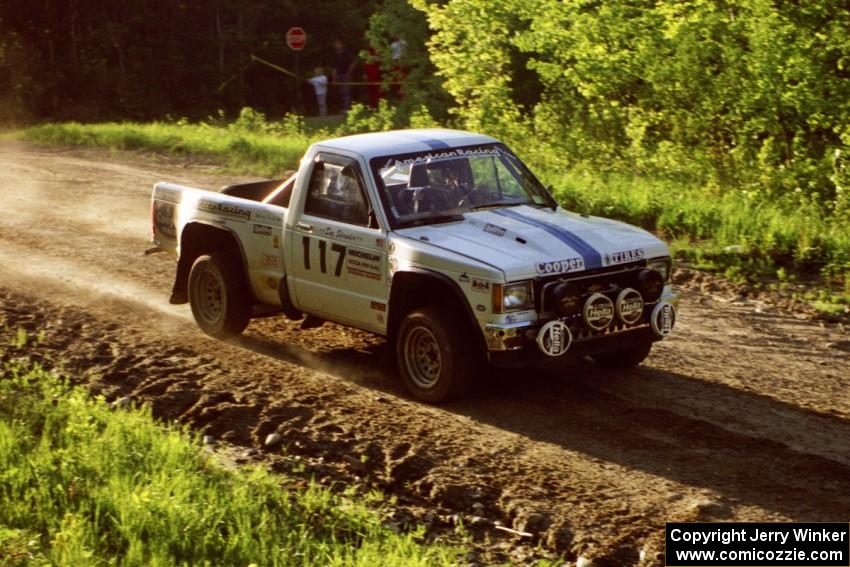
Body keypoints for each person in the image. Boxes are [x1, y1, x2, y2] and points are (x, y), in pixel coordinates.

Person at [332, 38, 357, 111]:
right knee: (341, 92)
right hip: (339, 75)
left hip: (346, 75)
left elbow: (354, 61)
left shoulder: (346, 53)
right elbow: (334, 68)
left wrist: (349, 72)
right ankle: (347, 107)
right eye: (335, 44)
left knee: (346, 91)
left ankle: (347, 108)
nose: (337, 45)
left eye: (338, 44)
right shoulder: (336, 55)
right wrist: (334, 79)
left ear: (341, 44)